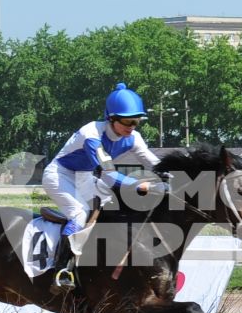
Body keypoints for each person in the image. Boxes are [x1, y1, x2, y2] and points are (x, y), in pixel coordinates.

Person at [40, 83, 160, 288]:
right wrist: (138, 186)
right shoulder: (92, 135)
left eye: (136, 121)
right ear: (111, 118)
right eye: (127, 121)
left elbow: (156, 163)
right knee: (79, 214)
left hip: (84, 176)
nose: (132, 127)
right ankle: (62, 270)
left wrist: (175, 175)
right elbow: (110, 176)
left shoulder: (134, 138)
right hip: (59, 175)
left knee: (112, 210)